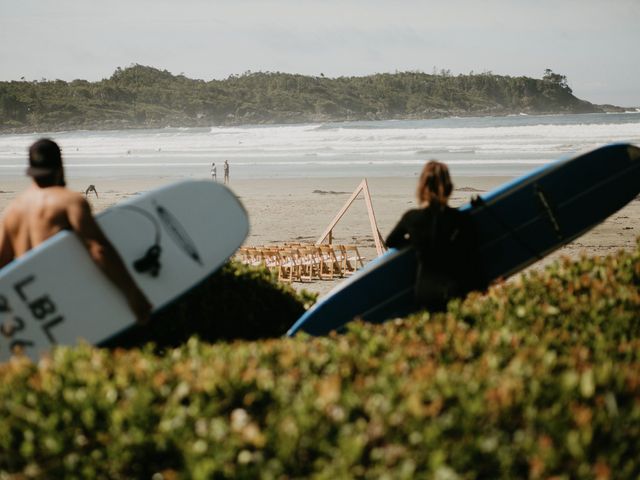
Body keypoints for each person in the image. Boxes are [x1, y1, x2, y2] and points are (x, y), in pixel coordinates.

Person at [0, 139, 152, 324]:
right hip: (65, 299)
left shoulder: (11, 212)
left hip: (34, 307)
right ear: (60, 168)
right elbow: (97, 248)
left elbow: (3, 263)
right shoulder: (69, 201)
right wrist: (132, 293)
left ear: (31, 172)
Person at [385, 160, 485, 312]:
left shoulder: (412, 218)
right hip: (454, 290)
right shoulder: (461, 219)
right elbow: (473, 254)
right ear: (449, 188)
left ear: (422, 188)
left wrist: (415, 241)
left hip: (425, 291)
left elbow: (391, 241)